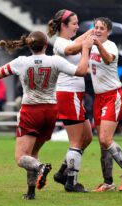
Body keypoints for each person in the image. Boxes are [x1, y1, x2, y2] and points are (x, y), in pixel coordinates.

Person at [0, 31, 93, 200]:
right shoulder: (55, 60)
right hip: (50, 112)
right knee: (32, 153)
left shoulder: (22, 62)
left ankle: (40, 167)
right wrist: (85, 49)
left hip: (31, 110)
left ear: (29, 45)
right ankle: (31, 192)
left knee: (21, 158)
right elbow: (82, 71)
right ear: (46, 45)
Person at [89, 17, 122, 192]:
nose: (98, 30)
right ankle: (108, 182)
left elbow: (109, 59)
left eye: (102, 28)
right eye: (96, 27)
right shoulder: (91, 46)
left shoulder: (110, 45)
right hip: (99, 98)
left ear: (108, 31)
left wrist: (97, 44)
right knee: (102, 143)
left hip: (113, 96)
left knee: (105, 139)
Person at [47, 9, 93, 192]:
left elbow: (77, 42)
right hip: (68, 94)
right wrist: (86, 46)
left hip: (76, 95)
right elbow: (72, 48)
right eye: (74, 23)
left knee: (87, 137)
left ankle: (62, 173)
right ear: (63, 25)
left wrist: (94, 30)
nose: (76, 26)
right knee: (76, 141)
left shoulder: (70, 40)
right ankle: (71, 182)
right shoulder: (59, 42)